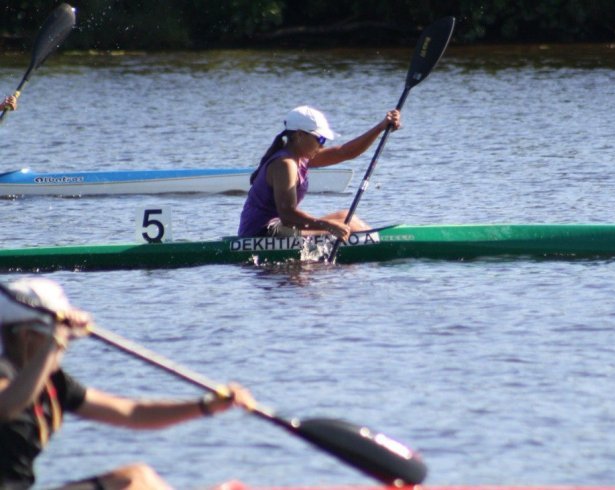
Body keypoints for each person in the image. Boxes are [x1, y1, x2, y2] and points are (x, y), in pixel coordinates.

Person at [0, 278, 256, 489]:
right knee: (134, 480)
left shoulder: (54, 383)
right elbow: (7, 405)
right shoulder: (5, 374)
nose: (64, 349)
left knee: (140, 478)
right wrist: (55, 342)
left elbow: (131, 413)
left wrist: (205, 406)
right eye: (56, 342)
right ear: (25, 336)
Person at [237, 105, 401, 240]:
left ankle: (374, 243)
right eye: (320, 139)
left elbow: (345, 152)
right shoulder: (284, 164)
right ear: (300, 135)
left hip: (281, 228)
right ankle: (383, 245)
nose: (322, 146)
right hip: (262, 234)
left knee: (346, 216)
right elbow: (287, 215)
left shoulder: (300, 157)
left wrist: (380, 128)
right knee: (347, 227)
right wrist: (328, 226)